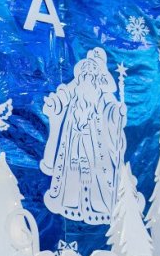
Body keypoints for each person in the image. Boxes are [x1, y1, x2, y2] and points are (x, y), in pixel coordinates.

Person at [40, 47, 127, 225]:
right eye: (86, 69)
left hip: (96, 146)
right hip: (74, 140)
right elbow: (62, 96)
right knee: (73, 174)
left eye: (93, 70)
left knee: (97, 177)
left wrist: (119, 112)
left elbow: (112, 113)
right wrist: (54, 103)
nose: (88, 73)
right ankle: (72, 204)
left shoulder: (104, 96)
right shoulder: (76, 88)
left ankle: (100, 207)